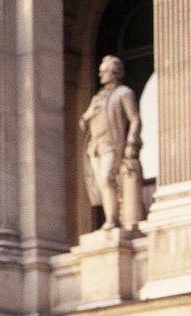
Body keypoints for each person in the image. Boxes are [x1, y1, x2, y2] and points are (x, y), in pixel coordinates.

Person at [80, 55, 143, 230]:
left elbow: (135, 119)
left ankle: (112, 220)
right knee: (101, 183)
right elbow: (83, 122)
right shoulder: (97, 98)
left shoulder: (124, 93)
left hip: (113, 144)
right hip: (96, 146)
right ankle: (111, 218)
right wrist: (88, 115)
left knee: (107, 179)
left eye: (104, 72)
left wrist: (132, 142)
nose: (100, 76)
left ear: (115, 72)